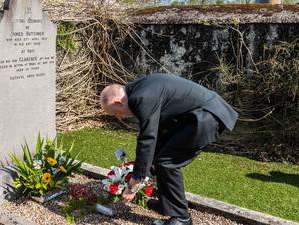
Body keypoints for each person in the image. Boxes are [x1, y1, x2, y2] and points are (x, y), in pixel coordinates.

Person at [100, 73, 238, 225]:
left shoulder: (141, 98)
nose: (119, 117)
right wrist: (145, 168)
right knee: (159, 159)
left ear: (118, 102)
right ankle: (167, 205)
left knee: (167, 163)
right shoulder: (136, 90)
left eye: (114, 113)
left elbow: (147, 138)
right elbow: (155, 132)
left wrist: (135, 181)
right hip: (197, 115)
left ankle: (182, 218)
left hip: (207, 117)